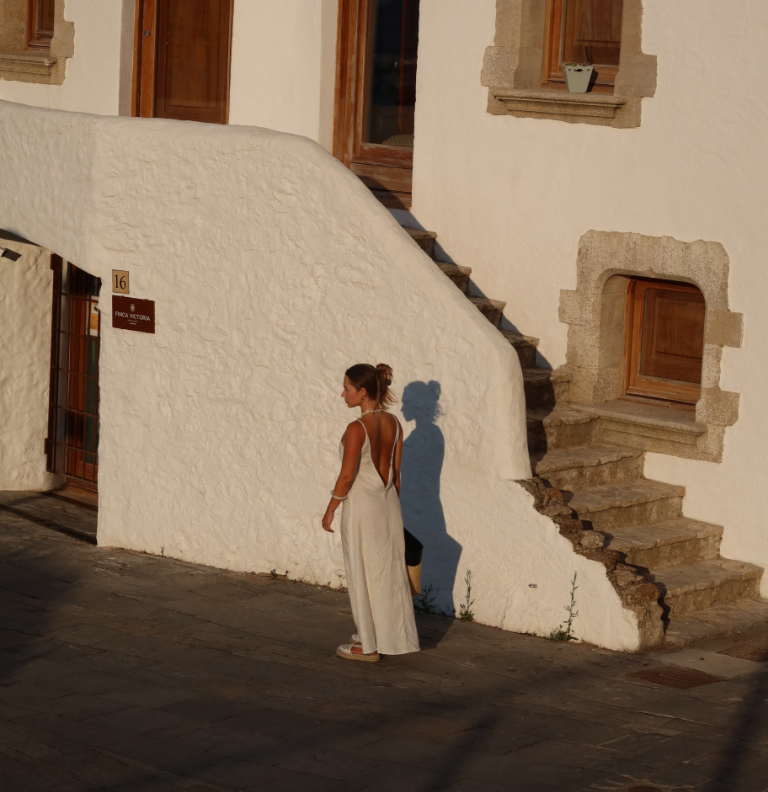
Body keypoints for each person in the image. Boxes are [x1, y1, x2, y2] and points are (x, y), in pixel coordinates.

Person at [322, 363, 420, 663]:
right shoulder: (394, 423)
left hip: (363, 507)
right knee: (386, 572)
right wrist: (390, 506)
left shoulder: (356, 428)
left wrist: (330, 510)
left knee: (361, 571)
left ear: (362, 392)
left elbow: (347, 476)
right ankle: (386, 634)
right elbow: (397, 472)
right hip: (389, 504)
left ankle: (368, 645)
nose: (343, 394)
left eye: (347, 389)